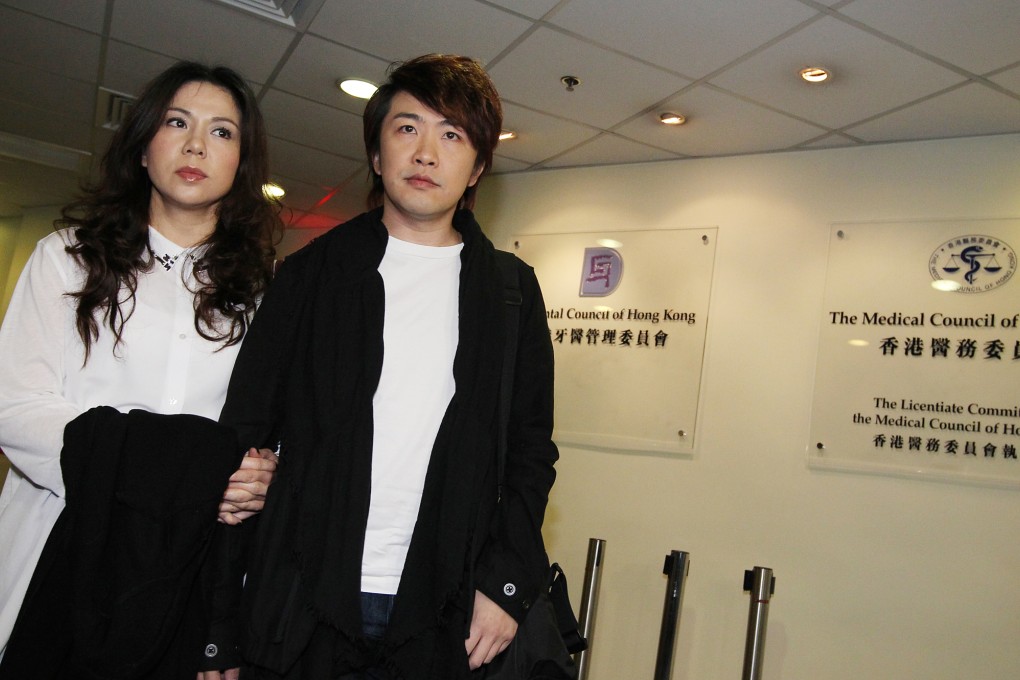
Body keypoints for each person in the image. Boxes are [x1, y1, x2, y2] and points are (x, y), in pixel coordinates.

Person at [205, 54, 559, 679]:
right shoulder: (308, 277)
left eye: (451, 135)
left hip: (445, 609)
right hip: (301, 604)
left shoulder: (510, 293)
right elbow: (243, 442)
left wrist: (507, 585)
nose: (426, 153)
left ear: (477, 166)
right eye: (406, 128)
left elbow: (531, 453)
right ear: (375, 153)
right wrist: (218, 631)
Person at [0, 61, 283, 676]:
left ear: (243, 164)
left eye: (222, 132)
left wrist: (265, 472)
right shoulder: (68, 261)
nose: (195, 145)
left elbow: (269, 429)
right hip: (66, 539)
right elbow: (16, 407)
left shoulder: (265, 294)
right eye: (177, 122)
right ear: (143, 146)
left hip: (192, 567)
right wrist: (173, 466)